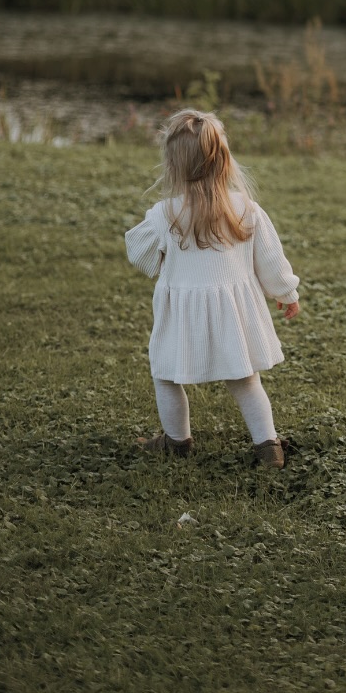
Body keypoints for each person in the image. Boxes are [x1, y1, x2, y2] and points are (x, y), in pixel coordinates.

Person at [125, 108, 300, 468]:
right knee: (246, 381)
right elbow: (271, 259)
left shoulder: (165, 214)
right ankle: (268, 447)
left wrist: (162, 257)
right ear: (223, 160)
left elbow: (139, 254)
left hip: (182, 317)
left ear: (173, 166)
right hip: (234, 316)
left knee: (166, 375)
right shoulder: (245, 208)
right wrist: (286, 293)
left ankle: (177, 442)